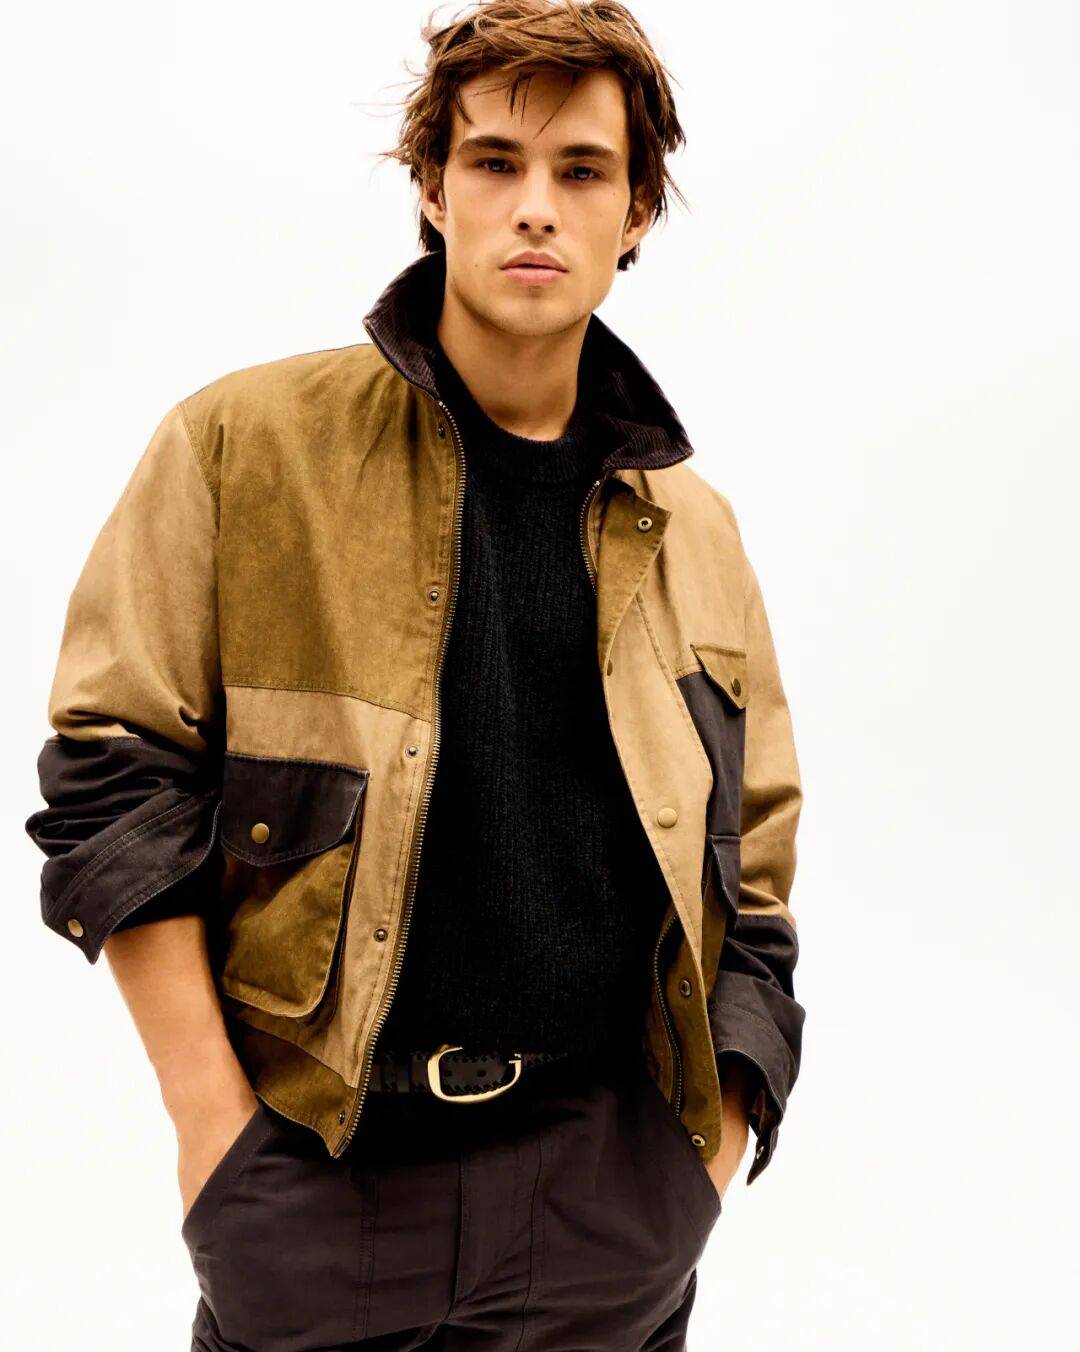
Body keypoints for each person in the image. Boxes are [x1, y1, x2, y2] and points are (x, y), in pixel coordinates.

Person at [25, 3, 805, 1347]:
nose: (535, 207)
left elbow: (754, 871)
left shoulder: (694, 530)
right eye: (495, 161)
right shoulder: (243, 448)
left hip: (607, 1207)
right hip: (322, 1181)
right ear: (434, 190)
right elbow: (112, 778)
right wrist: (213, 1129)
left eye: (581, 170)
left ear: (636, 212)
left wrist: (705, 1156)